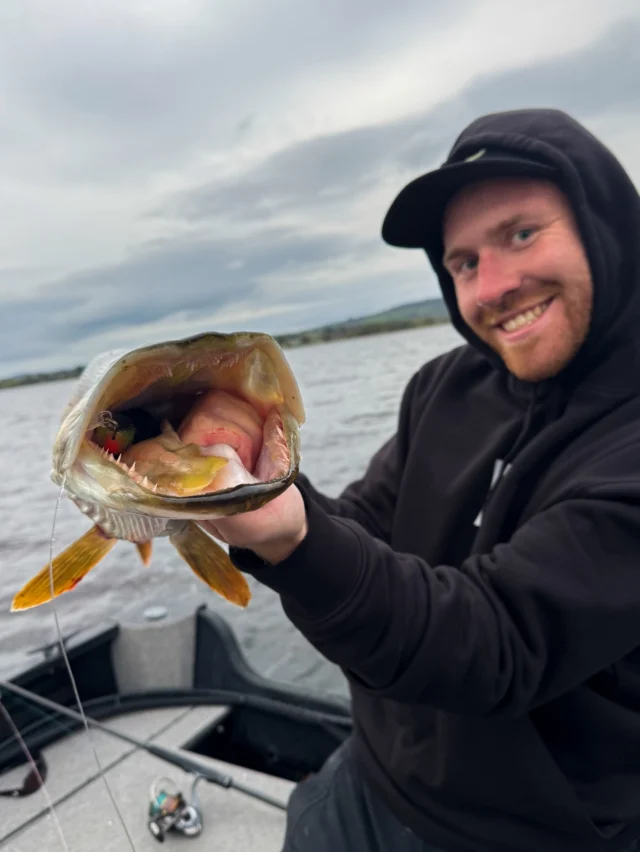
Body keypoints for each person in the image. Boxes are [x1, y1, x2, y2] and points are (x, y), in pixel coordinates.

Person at [202, 109, 640, 852]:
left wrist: (292, 540)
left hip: (525, 833)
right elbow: (364, 528)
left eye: (521, 234)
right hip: (367, 772)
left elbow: (496, 642)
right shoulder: (446, 386)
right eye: (463, 262)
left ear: (605, 223)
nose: (492, 285)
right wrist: (261, 478)